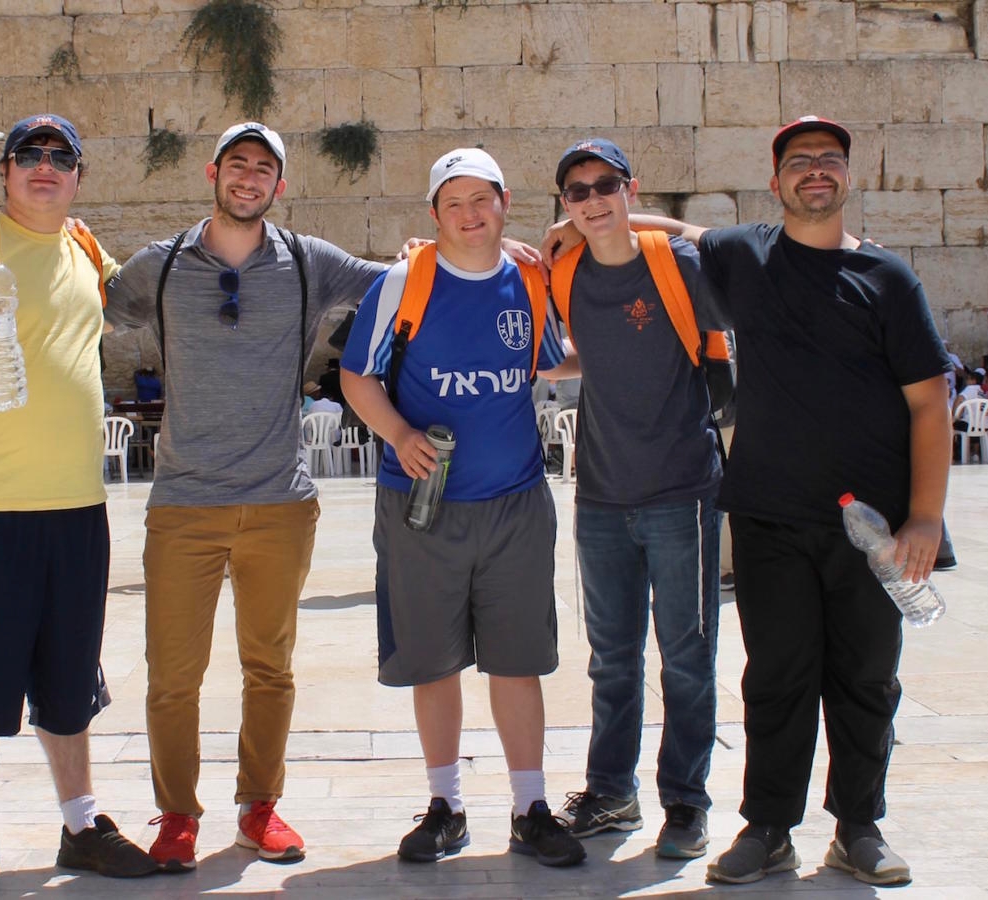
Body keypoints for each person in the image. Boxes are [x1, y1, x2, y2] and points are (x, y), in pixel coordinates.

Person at [546, 116, 951, 886]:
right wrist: (579, 225)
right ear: (775, 183)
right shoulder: (744, 256)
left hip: (872, 525)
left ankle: (857, 826)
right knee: (775, 677)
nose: (814, 173)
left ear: (845, 176)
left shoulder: (886, 280)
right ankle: (766, 827)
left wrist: (925, 516)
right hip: (768, 512)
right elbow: (682, 232)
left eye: (828, 160)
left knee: (865, 678)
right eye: (798, 163)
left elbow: (929, 403)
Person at [104, 121, 389, 872]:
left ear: (279, 186)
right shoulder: (159, 267)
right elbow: (94, 306)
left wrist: (470, 251)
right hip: (183, 504)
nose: (249, 176)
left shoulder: (307, 263)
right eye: (238, 164)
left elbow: (395, 284)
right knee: (172, 676)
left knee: (270, 668)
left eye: (264, 168)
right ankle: (176, 816)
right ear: (213, 172)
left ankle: (259, 808)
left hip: (277, 502)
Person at [0, 113, 157, 897]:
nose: (43, 167)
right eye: (29, 156)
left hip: (78, 503)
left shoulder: (85, 251)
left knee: (69, 676)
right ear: (5, 172)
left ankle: (79, 822)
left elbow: (154, 293)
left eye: (60, 156)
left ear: (78, 176)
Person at [340, 148, 585, 869]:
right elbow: (357, 377)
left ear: (505, 202)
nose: (470, 215)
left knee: (517, 662)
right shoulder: (401, 283)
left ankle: (528, 807)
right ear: (433, 214)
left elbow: (548, 360)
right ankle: (444, 805)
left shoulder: (529, 281)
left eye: (482, 199)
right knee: (432, 661)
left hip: (513, 502)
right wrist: (399, 434)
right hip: (422, 506)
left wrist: (622, 348)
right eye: (454, 202)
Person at [545, 139, 724, 860]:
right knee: (611, 660)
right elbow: (568, 348)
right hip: (602, 497)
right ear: (563, 203)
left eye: (606, 186)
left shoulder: (673, 262)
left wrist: (647, 221)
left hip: (681, 491)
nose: (592, 200)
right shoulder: (563, 271)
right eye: (577, 191)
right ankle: (611, 795)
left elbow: (738, 249)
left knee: (686, 658)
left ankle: (685, 803)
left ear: (629, 186)